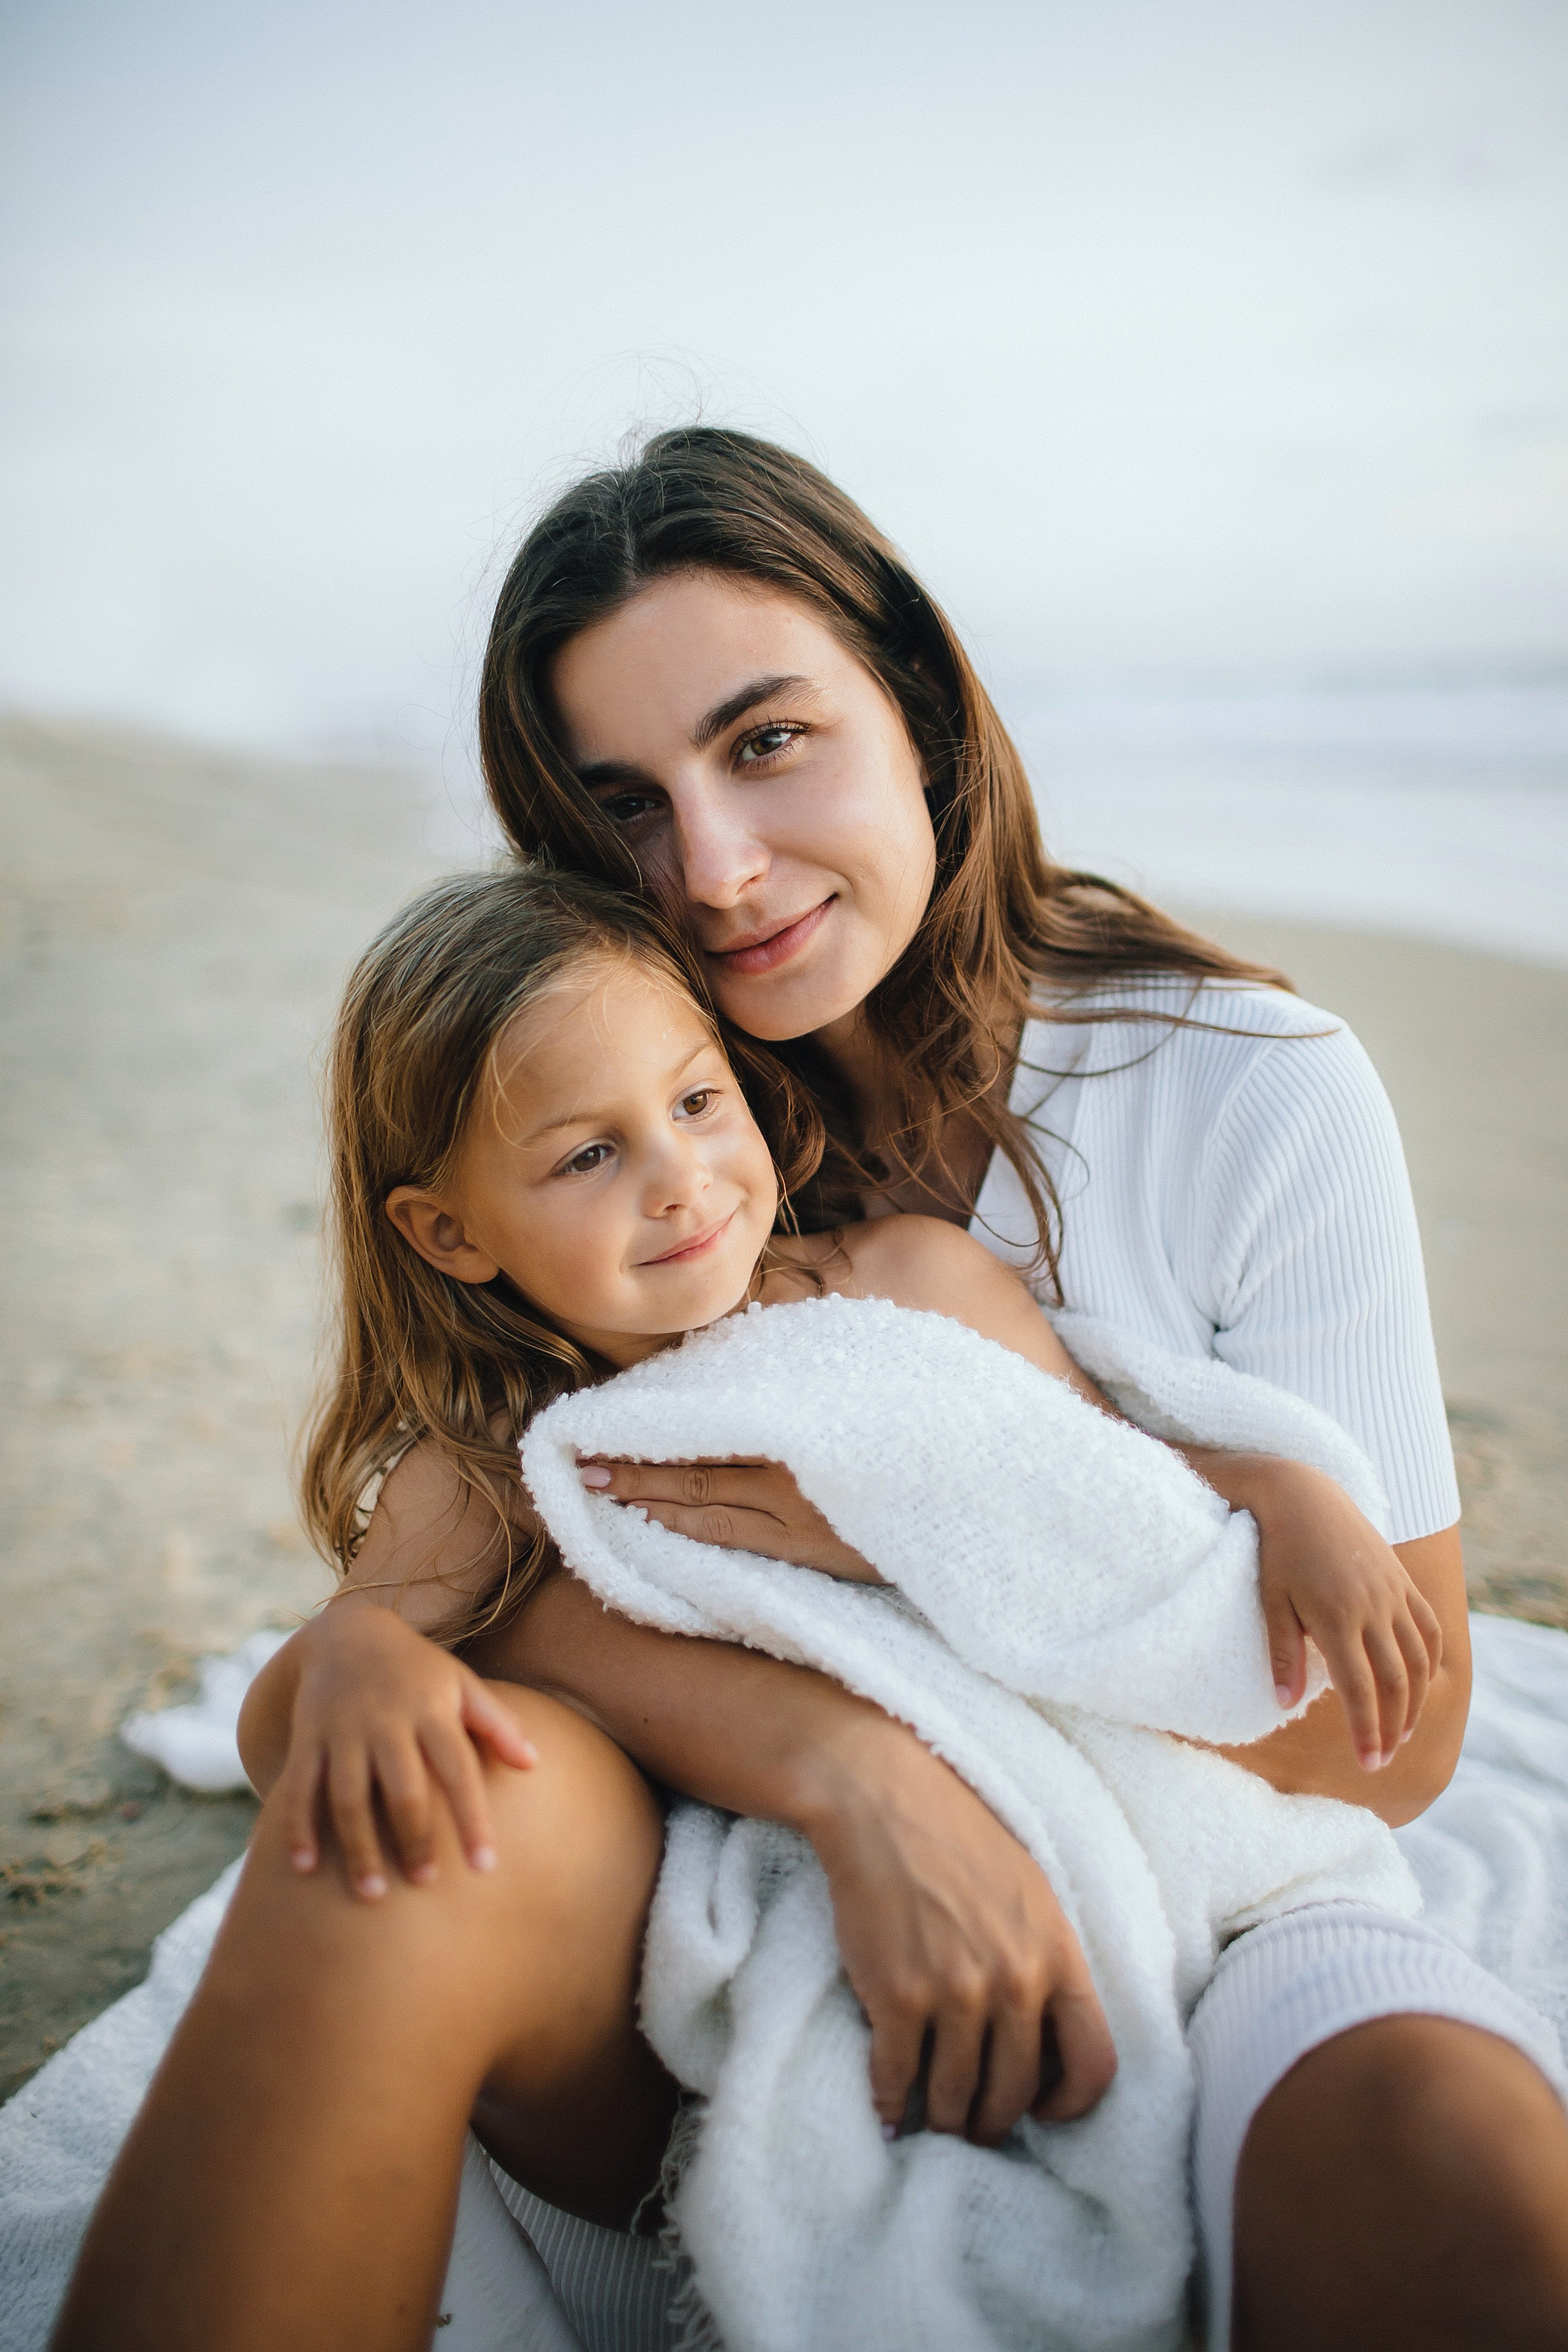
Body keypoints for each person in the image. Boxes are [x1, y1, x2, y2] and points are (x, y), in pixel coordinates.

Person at [56, 432, 1568, 2352]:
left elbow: (1385, 1740)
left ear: (918, 710)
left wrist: (933, 1538)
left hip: (1197, 1875)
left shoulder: (1244, 1091)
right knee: (387, 1846)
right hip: (753, 1913)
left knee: (1454, 2166)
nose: (713, 868)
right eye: (624, 808)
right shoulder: (614, 1131)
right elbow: (501, 1524)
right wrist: (843, 1771)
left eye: (767, 741)